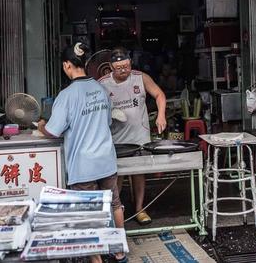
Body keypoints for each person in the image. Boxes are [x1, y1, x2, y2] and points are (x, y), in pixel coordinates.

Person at [38, 43, 126, 263]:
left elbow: (52, 131)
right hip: (106, 160)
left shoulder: (66, 96)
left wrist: (40, 125)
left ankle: (96, 259)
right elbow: (106, 122)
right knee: (114, 204)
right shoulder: (101, 89)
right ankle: (119, 252)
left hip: (83, 164)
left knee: (88, 211)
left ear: (67, 65)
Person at [99, 48, 167, 226]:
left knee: (138, 172)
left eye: (126, 66)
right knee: (116, 175)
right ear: (111, 67)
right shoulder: (103, 83)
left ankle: (139, 208)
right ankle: (117, 209)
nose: (124, 70)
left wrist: (161, 115)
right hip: (115, 137)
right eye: (119, 68)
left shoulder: (140, 77)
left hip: (139, 135)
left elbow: (159, 95)